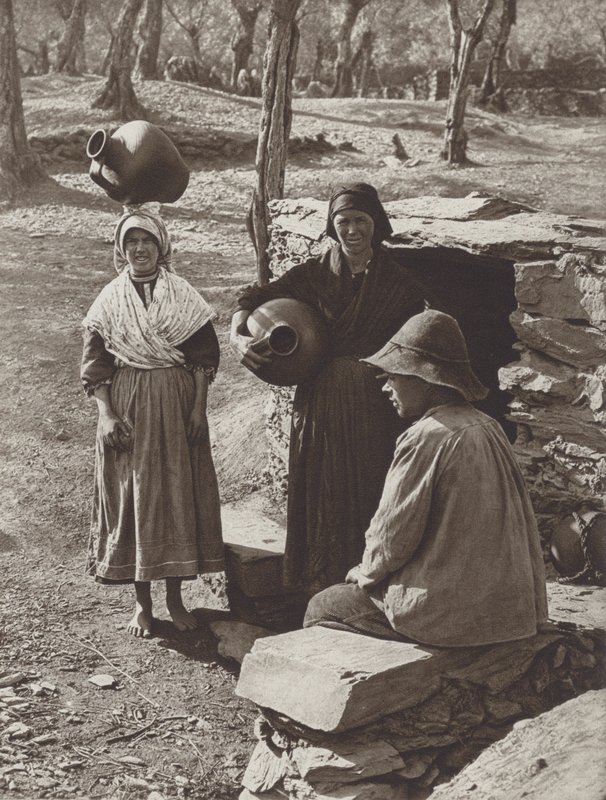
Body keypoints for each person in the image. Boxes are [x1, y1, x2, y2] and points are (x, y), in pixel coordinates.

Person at [230, 183, 431, 595]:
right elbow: (252, 297)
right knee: (323, 491)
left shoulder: (399, 282)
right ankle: (318, 586)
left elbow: (419, 340)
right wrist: (237, 337)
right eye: (343, 222)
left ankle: (371, 585)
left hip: (375, 406)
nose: (352, 230)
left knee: (371, 488)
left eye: (360, 220)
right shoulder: (315, 274)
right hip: (320, 403)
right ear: (331, 225)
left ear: (376, 223)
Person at [304, 310, 548, 647]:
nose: (386, 387)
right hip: (507, 611)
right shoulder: (489, 427)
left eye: (393, 376)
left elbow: (393, 535)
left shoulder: (425, 437)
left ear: (424, 378)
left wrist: (365, 573)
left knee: (323, 605)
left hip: (452, 615)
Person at [81, 207, 224, 638]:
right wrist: (107, 415)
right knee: (136, 497)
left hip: (177, 407)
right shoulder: (109, 301)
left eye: (147, 241)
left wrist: (197, 410)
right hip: (128, 408)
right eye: (131, 242)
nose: (139, 249)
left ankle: (175, 600)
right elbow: (95, 366)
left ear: (161, 247)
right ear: (121, 249)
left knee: (178, 495)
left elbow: (203, 359)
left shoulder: (183, 296)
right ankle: (142, 605)